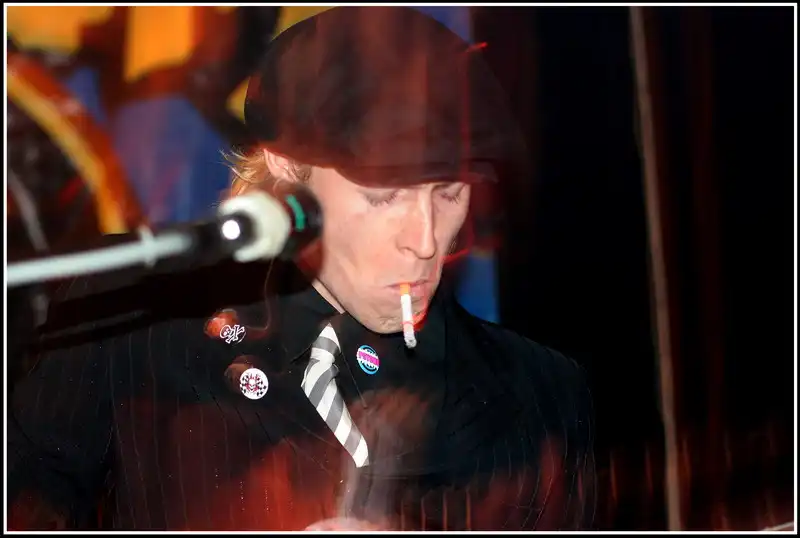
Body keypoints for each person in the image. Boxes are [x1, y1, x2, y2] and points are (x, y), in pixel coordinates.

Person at [7, 6, 595, 531]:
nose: (426, 240)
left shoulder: (541, 396)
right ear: (287, 165)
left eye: (448, 192)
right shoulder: (133, 320)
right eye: (384, 196)